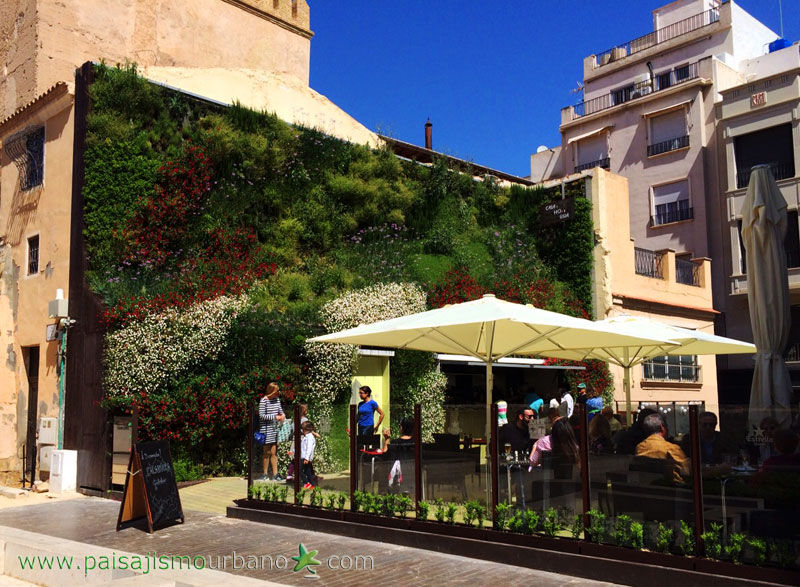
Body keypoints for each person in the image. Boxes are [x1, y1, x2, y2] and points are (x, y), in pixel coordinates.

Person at [635, 412, 691, 484]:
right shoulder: (671, 448)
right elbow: (687, 471)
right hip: (672, 489)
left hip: (646, 486)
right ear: (662, 427)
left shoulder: (640, 447)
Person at [259, 382, 285, 481]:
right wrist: (275, 417)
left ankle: (275, 475)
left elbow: (281, 411)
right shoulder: (263, 401)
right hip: (265, 431)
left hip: (274, 430)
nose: (278, 392)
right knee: (266, 453)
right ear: (272, 391)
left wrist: (283, 416)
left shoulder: (277, 400)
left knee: (274, 453)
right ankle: (265, 474)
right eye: (277, 391)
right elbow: (262, 415)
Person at [382, 416, 416, 493]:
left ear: (401, 428)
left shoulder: (395, 443)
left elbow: (385, 457)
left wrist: (387, 439)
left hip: (398, 475)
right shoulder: (416, 443)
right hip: (413, 472)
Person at [300, 420, 317, 489]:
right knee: (308, 471)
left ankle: (306, 482)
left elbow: (309, 448)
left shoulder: (309, 437)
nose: (302, 431)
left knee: (299, 470)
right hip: (304, 457)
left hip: (305, 458)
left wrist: (306, 458)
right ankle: (311, 484)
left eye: (303, 429)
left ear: (307, 430)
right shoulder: (306, 437)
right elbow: (302, 447)